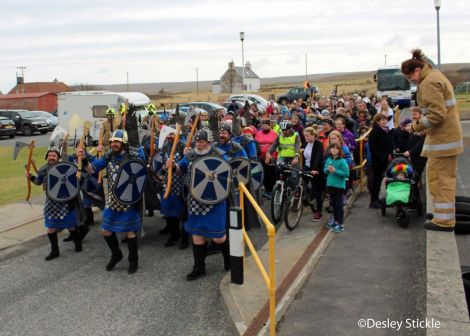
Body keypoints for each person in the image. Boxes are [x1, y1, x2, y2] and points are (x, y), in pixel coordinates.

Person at [402, 49, 463, 231]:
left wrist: (415, 127)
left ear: (417, 71)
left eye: (409, 77)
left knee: (441, 180)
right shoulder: (433, 76)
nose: (410, 81)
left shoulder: (429, 83)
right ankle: (439, 214)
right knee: (437, 178)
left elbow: (437, 115)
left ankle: (443, 221)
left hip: (443, 141)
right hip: (442, 138)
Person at [167, 130, 231, 281]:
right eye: (197, 141)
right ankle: (199, 268)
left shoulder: (219, 155)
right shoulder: (191, 155)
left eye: (201, 141)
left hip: (214, 202)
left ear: (209, 142)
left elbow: (226, 175)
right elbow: (180, 169)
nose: (198, 144)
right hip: (195, 201)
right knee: (197, 235)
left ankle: (229, 261)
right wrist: (173, 165)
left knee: (218, 238)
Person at [83, 129, 144, 274]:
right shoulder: (108, 157)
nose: (114, 144)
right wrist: (84, 160)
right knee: (106, 230)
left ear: (123, 143)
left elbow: (141, 173)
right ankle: (116, 254)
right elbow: (92, 170)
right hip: (112, 200)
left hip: (128, 200)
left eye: (117, 142)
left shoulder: (132, 157)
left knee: (130, 232)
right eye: (112, 142)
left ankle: (133, 260)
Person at [27, 147, 82, 260]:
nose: (52, 157)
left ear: (58, 157)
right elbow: (38, 181)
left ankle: (78, 243)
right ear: (48, 157)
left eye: (54, 155)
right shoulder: (44, 168)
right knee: (50, 228)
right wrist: (31, 177)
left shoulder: (65, 167)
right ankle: (54, 251)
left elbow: (75, 179)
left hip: (65, 202)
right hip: (51, 203)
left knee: (71, 226)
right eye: (50, 155)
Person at [153, 127, 189, 249]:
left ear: (177, 133)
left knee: (182, 213)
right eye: (168, 135)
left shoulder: (185, 147)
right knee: (170, 212)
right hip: (168, 184)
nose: (169, 137)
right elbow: (163, 164)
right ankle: (174, 235)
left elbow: (187, 165)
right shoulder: (165, 147)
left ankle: (185, 237)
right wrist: (161, 175)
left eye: (172, 134)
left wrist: (187, 154)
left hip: (181, 184)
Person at [368, 114, 394, 208]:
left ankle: (376, 199)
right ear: (377, 121)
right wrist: (382, 156)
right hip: (378, 160)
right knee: (376, 180)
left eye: (385, 119)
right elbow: (373, 147)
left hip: (384, 159)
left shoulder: (384, 129)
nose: (384, 121)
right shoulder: (375, 131)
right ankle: (373, 201)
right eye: (382, 120)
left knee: (378, 181)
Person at [323, 143, 350, 233]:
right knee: (334, 205)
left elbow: (346, 174)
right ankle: (335, 221)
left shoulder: (342, 161)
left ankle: (340, 224)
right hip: (330, 185)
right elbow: (325, 170)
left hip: (339, 186)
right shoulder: (329, 159)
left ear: (339, 151)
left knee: (339, 205)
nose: (334, 150)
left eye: (336, 148)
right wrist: (327, 169)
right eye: (332, 148)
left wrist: (336, 171)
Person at [302, 127, 325, 221]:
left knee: (317, 191)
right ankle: (306, 197)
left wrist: (314, 169)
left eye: (307, 136)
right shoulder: (306, 144)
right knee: (300, 181)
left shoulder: (318, 144)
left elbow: (318, 157)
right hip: (307, 166)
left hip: (316, 168)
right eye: (305, 136)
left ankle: (318, 211)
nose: (305, 138)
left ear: (313, 135)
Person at [256, 119, 278, 198]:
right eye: (263, 125)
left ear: (269, 125)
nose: (264, 126)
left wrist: (273, 155)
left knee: (270, 174)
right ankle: (266, 190)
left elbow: (276, 145)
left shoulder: (274, 134)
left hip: (271, 157)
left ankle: (271, 191)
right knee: (263, 174)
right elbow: (256, 144)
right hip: (261, 157)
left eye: (266, 125)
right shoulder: (258, 133)